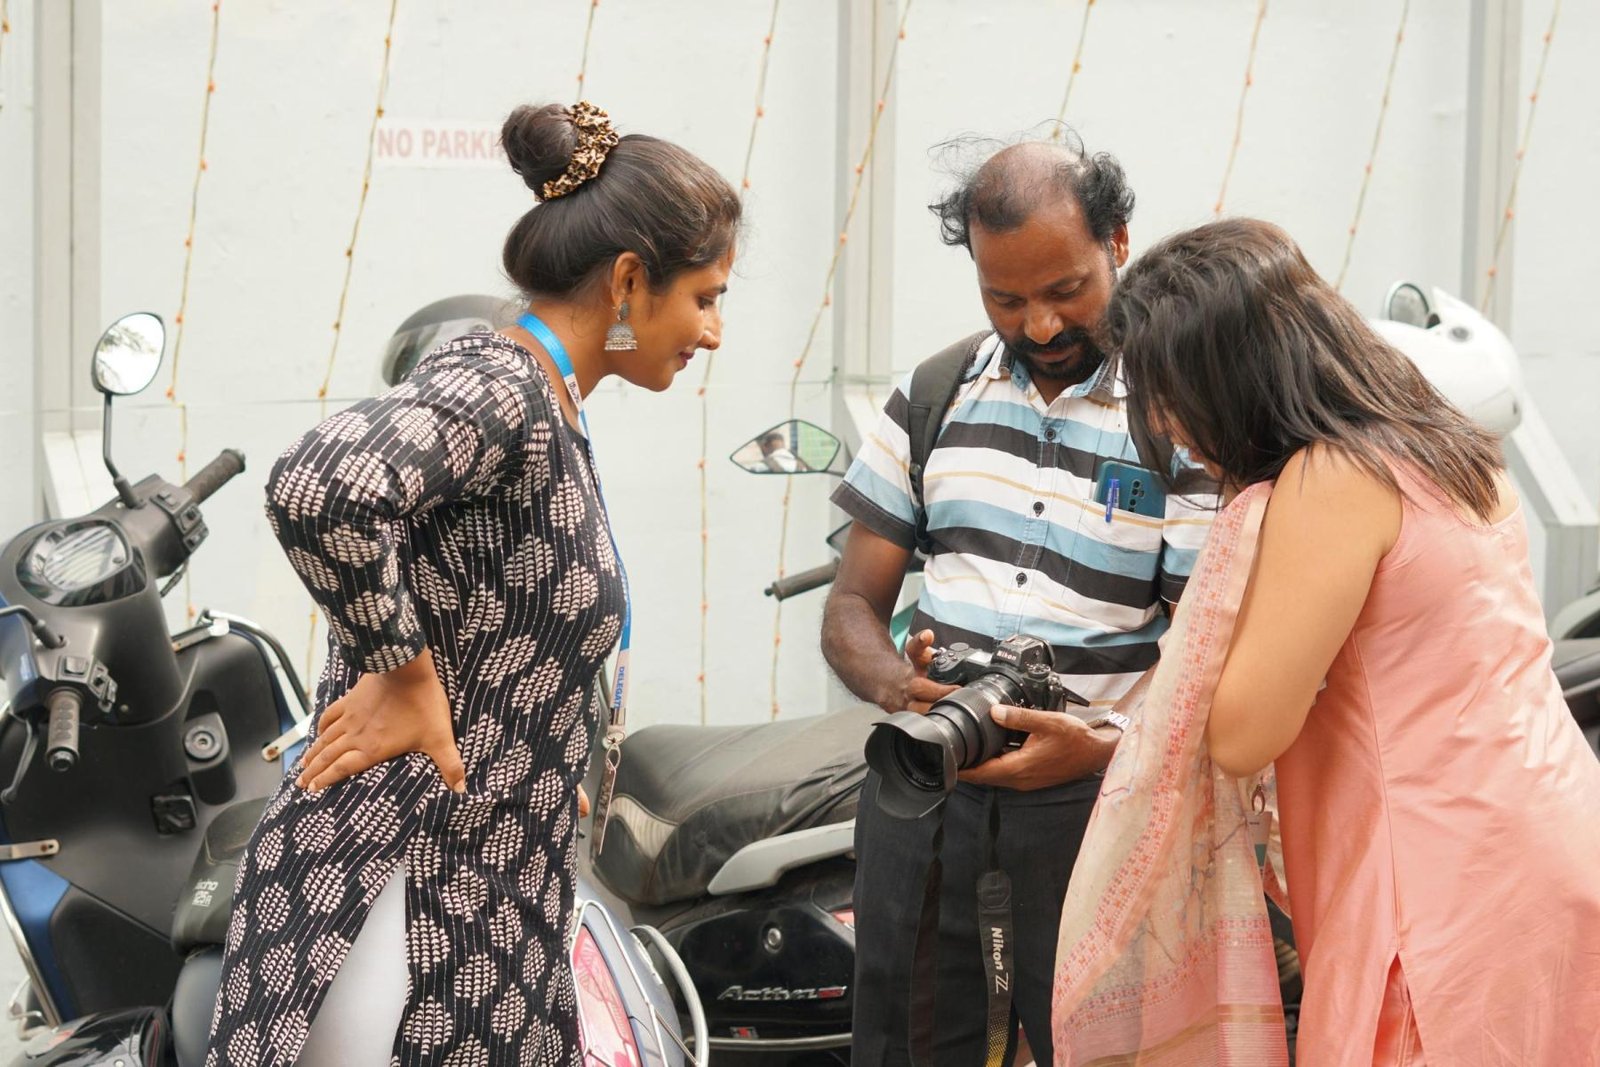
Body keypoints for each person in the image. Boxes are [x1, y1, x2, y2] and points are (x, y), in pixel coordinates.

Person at [204, 101, 739, 1066]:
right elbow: (319, 486)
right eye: (705, 297)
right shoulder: (505, 386)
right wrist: (402, 674)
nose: (713, 332)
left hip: (479, 894)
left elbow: (496, 630)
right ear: (629, 281)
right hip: (400, 900)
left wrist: (546, 758)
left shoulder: (549, 400)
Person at [1093, 217, 1600, 1065]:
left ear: (1225, 375)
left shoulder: (1336, 477)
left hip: (1439, 889)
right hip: (1544, 843)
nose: (1165, 424)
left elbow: (1242, 732)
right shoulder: (1451, 443)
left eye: (1165, 391)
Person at [820, 134, 1215, 1066]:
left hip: (1097, 811)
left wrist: (1104, 747)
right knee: (907, 1045)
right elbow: (849, 609)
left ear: (1118, 243)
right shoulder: (931, 397)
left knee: (1098, 1048)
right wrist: (898, 684)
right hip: (924, 792)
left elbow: (1206, 651)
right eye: (1005, 298)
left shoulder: (1180, 415)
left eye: (1066, 289)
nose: (1039, 324)